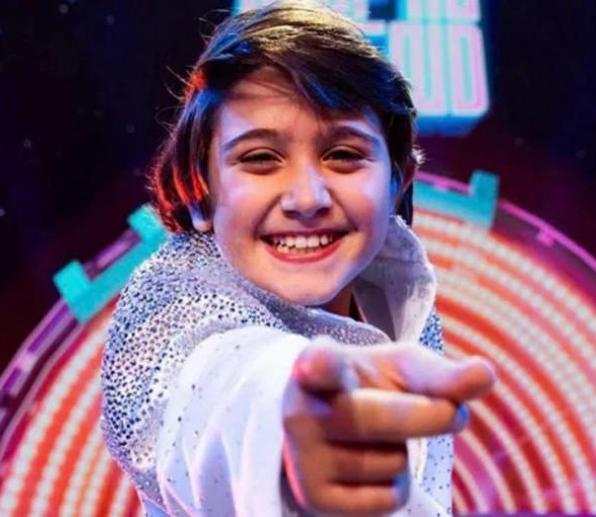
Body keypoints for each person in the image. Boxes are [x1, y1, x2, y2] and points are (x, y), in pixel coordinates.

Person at [101, 1, 495, 515]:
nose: (307, 197)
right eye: (260, 159)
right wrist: (287, 424)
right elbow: (222, 391)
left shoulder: (400, 299)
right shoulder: (166, 306)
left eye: (343, 154)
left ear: (397, 180)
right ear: (200, 194)